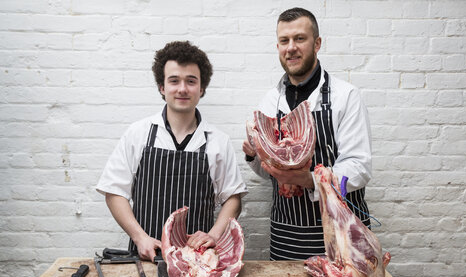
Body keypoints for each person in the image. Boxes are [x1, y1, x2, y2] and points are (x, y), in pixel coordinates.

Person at [97, 41, 247, 261]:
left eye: (191, 81)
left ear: (202, 88)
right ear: (162, 87)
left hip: (197, 261)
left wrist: (213, 235)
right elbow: (114, 191)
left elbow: (233, 197)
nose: (182, 89)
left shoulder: (218, 142)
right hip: (145, 256)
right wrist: (140, 238)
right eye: (174, 81)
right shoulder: (138, 134)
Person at [243, 8, 372, 261]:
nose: (291, 47)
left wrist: (309, 179)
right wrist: (254, 156)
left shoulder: (344, 96)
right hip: (287, 233)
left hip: (342, 230)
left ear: (317, 43)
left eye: (300, 39)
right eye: (284, 41)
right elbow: (266, 174)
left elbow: (360, 166)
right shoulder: (271, 100)